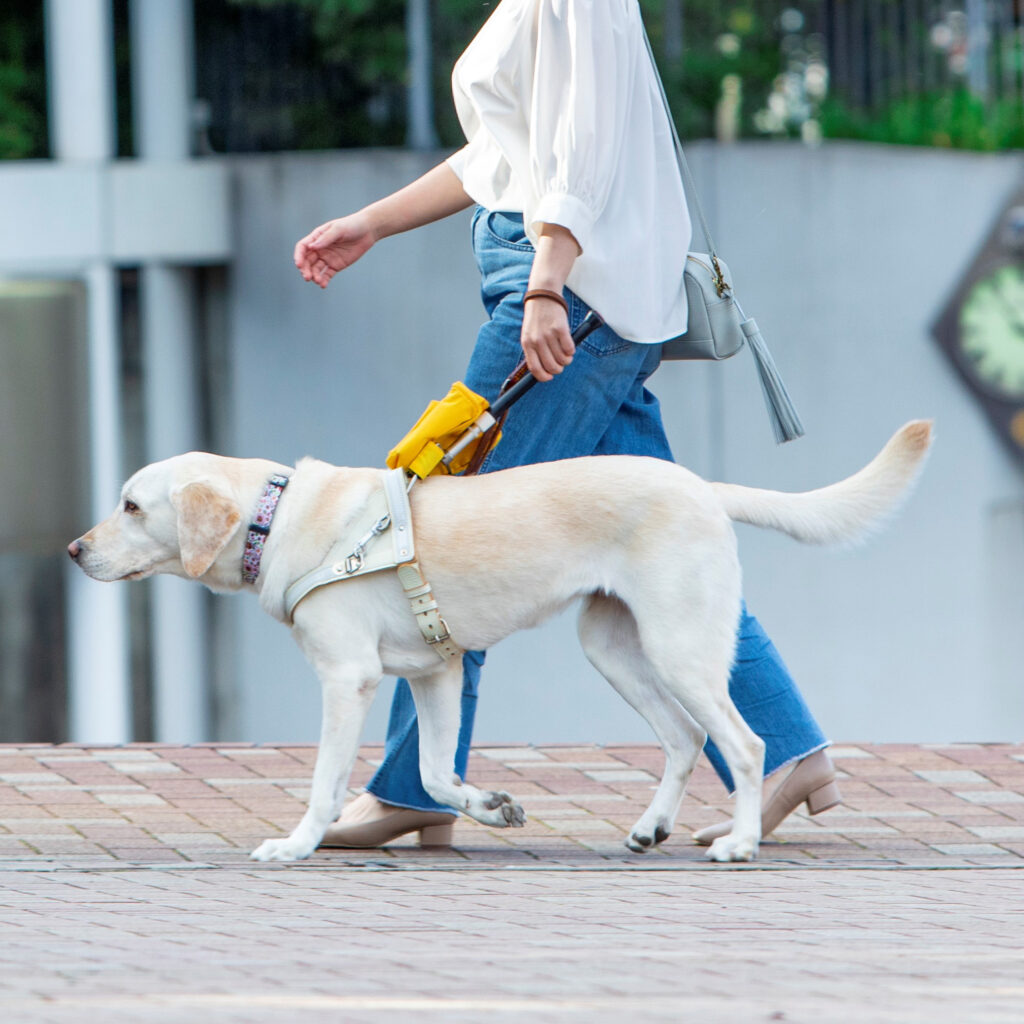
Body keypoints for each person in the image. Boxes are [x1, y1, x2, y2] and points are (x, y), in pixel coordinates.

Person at [293, 0, 840, 850]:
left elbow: (582, 159)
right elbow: (505, 159)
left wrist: (546, 285)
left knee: (439, 531)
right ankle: (790, 750)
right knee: (662, 541)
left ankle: (415, 785)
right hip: (584, 303)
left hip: (566, 303)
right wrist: (373, 223)